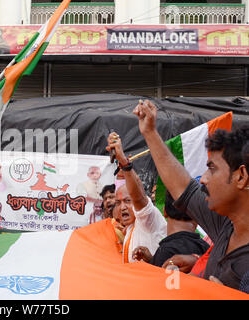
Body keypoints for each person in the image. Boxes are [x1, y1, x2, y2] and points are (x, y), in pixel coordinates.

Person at [133, 99, 249, 291]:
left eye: (212, 169)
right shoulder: (226, 224)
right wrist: (150, 132)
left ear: (241, 176)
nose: (202, 179)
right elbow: (184, 189)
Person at [106, 132, 167, 263]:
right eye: (118, 203)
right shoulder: (129, 229)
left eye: (128, 201)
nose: (122, 208)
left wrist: (124, 161)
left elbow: (138, 197)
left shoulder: (148, 221)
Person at [132, 191, 210, 267]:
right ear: (197, 214)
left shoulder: (166, 251)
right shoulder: (208, 250)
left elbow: (159, 278)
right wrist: (152, 260)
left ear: (164, 211)